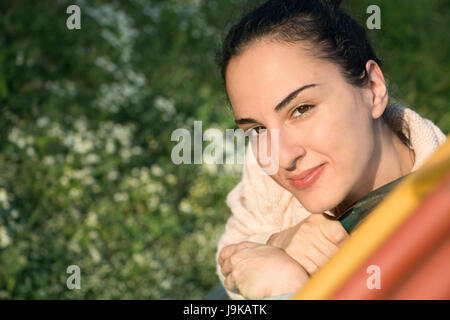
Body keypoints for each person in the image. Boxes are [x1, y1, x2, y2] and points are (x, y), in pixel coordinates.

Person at [215, 0, 447, 300]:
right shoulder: (273, 171)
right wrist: (278, 243)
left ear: (374, 89)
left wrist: (291, 290)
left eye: (301, 109)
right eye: (256, 130)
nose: (283, 158)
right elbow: (231, 254)